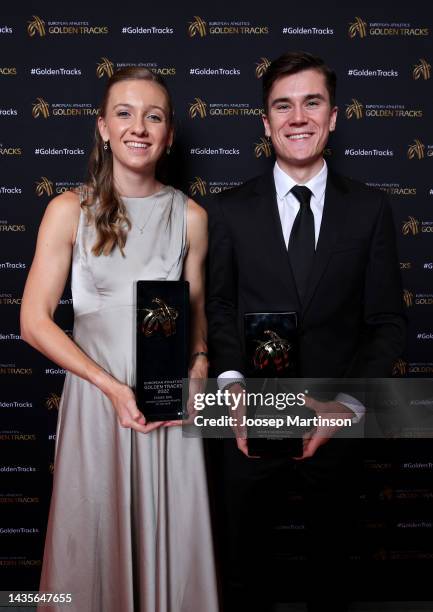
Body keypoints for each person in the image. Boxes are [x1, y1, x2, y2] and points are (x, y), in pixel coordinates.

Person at [206, 51, 406, 612]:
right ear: (265, 122)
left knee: (334, 578)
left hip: (336, 424)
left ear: (334, 115)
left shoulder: (370, 210)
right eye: (283, 105)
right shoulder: (227, 211)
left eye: (311, 102)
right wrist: (230, 385)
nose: (298, 117)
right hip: (251, 422)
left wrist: (345, 403)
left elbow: (388, 323)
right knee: (243, 577)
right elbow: (218, 305)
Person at [20, 67, 219, 612]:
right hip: (97, 405)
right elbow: (34, 321)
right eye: (125, 113)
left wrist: (199, 363)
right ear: (103, 127)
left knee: (172, 546)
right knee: (91, 539)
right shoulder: (69, 210)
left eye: (153, 116)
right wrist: (110, 387)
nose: (139, 127)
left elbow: (195, 310)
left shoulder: (192, 217)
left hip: (167, 409)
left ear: (169, 133)